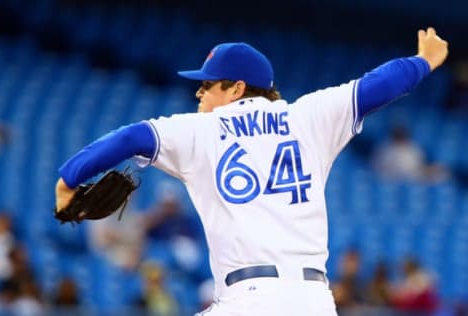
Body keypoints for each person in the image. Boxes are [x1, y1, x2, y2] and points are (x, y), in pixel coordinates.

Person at [54, 27, 448, 315]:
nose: (199, 93)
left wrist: (68, 179)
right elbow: (377, 86)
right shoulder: (308, 116)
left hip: (250, 298)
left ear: (237, 88)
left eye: (208, 85)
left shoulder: (200, 130)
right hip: (314, 302)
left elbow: (130, 138)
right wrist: (424, 60)